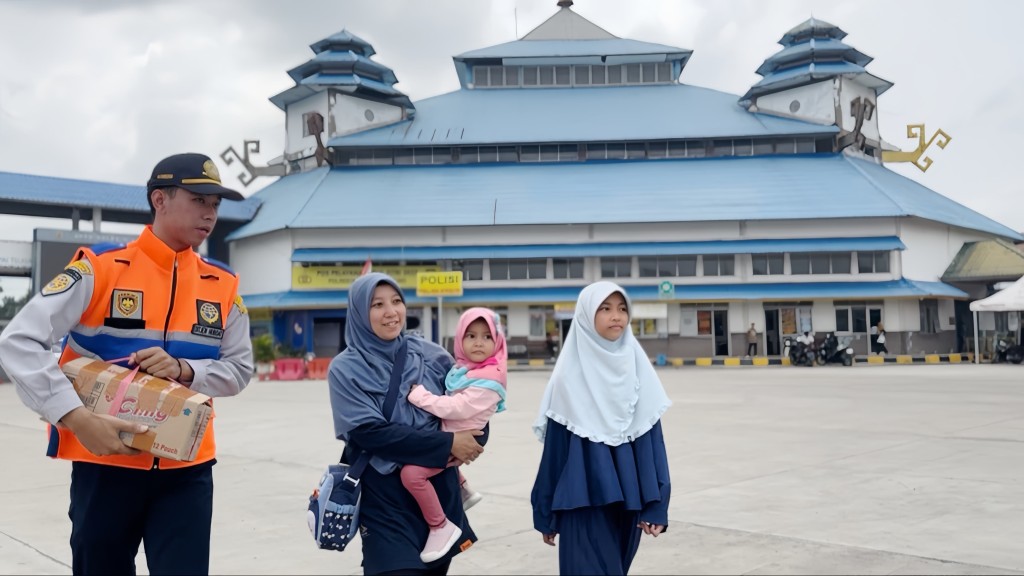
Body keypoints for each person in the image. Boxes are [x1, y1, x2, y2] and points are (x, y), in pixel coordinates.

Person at [0, 152, 254, 575]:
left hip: (186, 468)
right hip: (105, 463)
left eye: (215, 204)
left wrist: (185, 369)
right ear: (160, 199)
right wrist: (76, 419)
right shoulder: (99, 268)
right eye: (199, 200)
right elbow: (18, 341)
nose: (210, 213)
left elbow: (240, 369)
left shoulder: (223, 285)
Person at [328, 273, 485, 575]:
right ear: (359, 313)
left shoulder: (432, 356)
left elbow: (474, 405)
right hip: (384, 500)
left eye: (396, 301)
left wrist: (473, 441)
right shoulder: (345, 369)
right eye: (377, 305)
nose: (391, 312)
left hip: (438, 493)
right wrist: (449, 443)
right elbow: (370, 434)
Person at [531, 281, 672, 576]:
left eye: (622, 308)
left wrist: (657, 504)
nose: (616, 316)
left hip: (629, 505)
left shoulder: (638, 369)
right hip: (581, 504)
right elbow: (555, 452)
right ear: (586, 315)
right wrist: (545, 511)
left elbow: (653, 442)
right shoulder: (568, 377)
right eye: (605, 309)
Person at [404, 307, 508, 562]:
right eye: (471, 336)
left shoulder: (489, 380)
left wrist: (420, 396)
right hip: (457, 431)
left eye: (487, 336)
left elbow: (456, 407)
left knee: (412, 475)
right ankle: (463, 489)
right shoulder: (467, 370)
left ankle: (440, 525)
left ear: (497, 341)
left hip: (465, 436)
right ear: (460, 339)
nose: (479, 342)